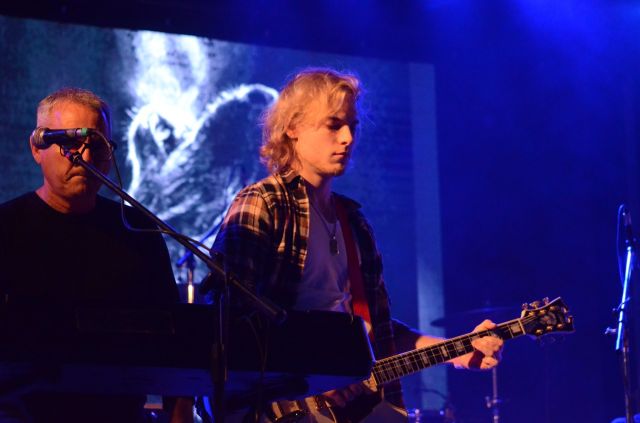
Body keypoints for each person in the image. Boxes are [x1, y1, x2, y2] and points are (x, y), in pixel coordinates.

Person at [213, 68, 504, 422]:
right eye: (333, 125)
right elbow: (227, 320)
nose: (348, 138)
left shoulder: (355, 224)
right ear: (292, 127)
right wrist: (308, 375)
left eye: (352, 125)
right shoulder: (263, 203)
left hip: (349, 405)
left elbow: (380, 332)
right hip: (275, 407)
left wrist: (456, 351)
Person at [0, 88, 192, 423]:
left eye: (98, 146)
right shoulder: (7, 228)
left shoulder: (138, 230)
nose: (85, 156)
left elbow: (173, 339)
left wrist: (181, 413)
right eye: (72, 142)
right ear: (37, 147)